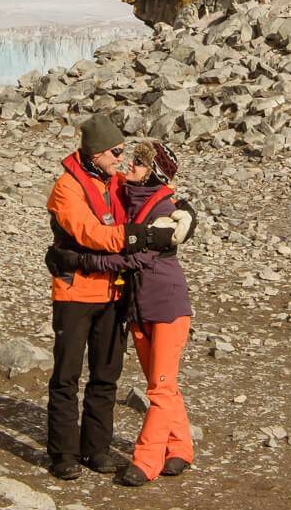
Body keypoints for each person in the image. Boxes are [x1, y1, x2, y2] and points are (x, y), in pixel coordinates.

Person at [49, 141, 196, 487]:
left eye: (139, 162)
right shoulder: (131, 195)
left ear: (153, 173)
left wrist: (83, 261)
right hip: (138, 306)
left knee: (159, 388)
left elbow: (137, 256)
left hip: (166, 306)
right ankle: (180, 448)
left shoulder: (159, 207)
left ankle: (146, 461)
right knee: (163, 384)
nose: (129, 164)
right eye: (130, 158)